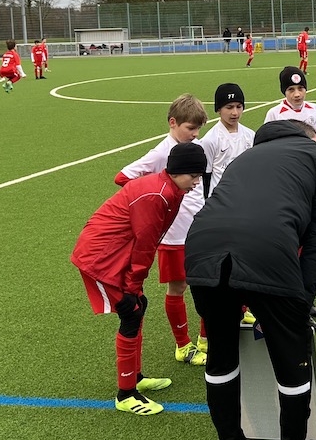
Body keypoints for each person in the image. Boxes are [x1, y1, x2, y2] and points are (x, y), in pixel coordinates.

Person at [184, 119, 316, 440]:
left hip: (202, 248)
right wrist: (302, 297)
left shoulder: (245, 156)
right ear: (310, 137)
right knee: (290, 353)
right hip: (267, 249)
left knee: (221, 350)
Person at [70, 140, 207, 415]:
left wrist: (135, 286)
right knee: (131, 312)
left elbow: (148, 241)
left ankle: (135, 377)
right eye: (193, 175)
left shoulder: (173, 189)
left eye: (199, 176)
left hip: (118, 253)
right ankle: (125, 394)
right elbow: (146, 244)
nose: (196, 182)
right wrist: (132, 286)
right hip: (100, 258)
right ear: (176, 171)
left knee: (138, 307)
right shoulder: (157, 195)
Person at [116, 94, 211, 365]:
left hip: (200, 228)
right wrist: (154, 199)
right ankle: (183, 345)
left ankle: (206, 339)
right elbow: (123, 176)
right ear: (173, 123)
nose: (195, 134)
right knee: (178, 287)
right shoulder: (162, 153)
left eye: (198, 128)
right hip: (175, 234)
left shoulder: (196, 147)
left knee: (207, 283)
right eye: (190, 128)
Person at [199, 83, 255, 198]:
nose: (235, 113)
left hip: (245, 196)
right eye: (229, 107)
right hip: (221, 199)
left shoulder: (250, 135)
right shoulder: (210, 140)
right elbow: (205, 176)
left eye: (239, 106)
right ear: (219, 109)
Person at [265, 67, 316, 148]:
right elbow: (266, 142)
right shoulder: (274, 113)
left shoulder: (315, 109)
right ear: (284, 91)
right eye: (291, 89)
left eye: (300, 88)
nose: (297, 94)